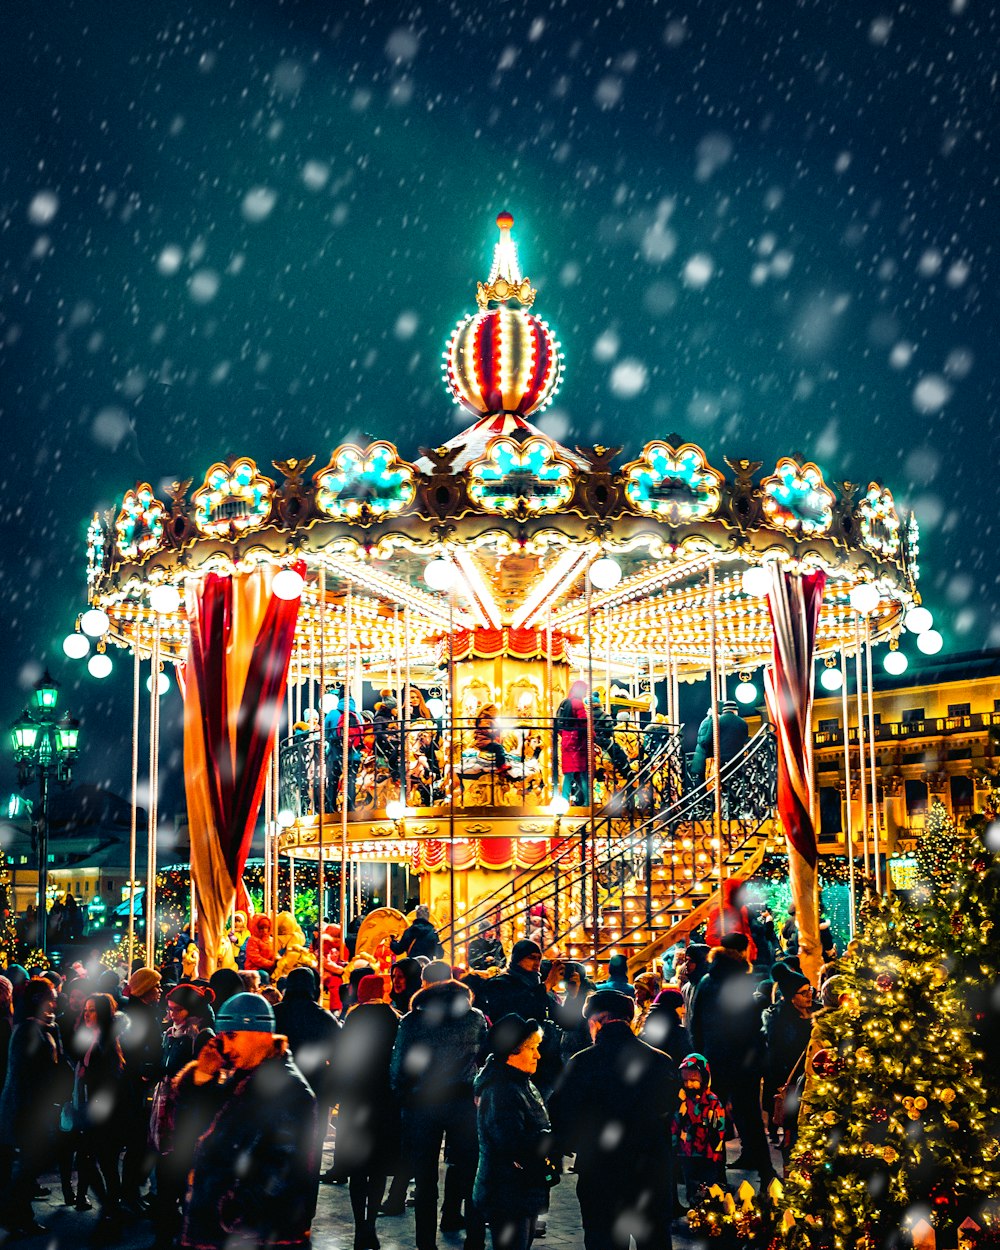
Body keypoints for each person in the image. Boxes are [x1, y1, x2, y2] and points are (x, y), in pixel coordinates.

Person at [180, 993, 319, 1250]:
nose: (226, 1047)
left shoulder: (286, 1090)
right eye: (222, 1038)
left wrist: (228, 1214)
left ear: (261, 1034)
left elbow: (281, 1174)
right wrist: (201, 1076)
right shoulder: (246, 1078)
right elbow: (195, 1123)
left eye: (232, 1036)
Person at [549, 989, 679, 1250]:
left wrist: (566, 1147)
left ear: (598, 1020)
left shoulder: (583, 1062)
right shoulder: (660, 1061)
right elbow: (671, 1110)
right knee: (653, 1240)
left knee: (603, 1239)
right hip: (651, 1169)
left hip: (601, 1170)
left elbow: (560, 1111)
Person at [389, 969, 488, 1250]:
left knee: (425, 1178)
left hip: (422, 1104)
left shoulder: (412, 1020)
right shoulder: (475, 1018)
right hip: (463, 1102)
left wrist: (403, 1095)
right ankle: (475, 1237)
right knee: (469, 1170)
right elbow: (484, 1054)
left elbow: (399, 1065)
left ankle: (425, 1243)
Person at [688, 935, 774, 1182]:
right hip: (743, 1061)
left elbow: (696, 1024)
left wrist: (702, 1055)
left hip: (714, 1059)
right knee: (750, 1117)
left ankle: (714, 1176)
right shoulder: (745, 983)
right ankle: (766, 1172)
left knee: (712, 1116)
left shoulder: (706, 982)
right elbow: (751, 1026)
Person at [333, 973, 401, 1250]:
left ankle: (360, 1227)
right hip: (385, 1100)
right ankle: (371, 1223)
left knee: (357, 1170)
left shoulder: (354, 1017)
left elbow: (342, 1059)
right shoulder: (394, 1017)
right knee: (379, 1168)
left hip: (356, 1100)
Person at [473, 1015, 554, 1250]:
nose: (537, 1055)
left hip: (520, 1190)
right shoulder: (501, 1090)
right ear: (510, 1052)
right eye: (531, 1048)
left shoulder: (520, 1082)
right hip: (507, 1193)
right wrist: (548, 1140)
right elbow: (510, 1143)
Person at [0, 977, 68, 1235]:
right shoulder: (27, 1030)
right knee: (28, 1165)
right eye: (52, 995)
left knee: (29, 1165)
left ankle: (17, 1215)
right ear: (38, 999)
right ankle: (15, 1215)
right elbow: (19, 1077)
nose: (56, 1000)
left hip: (36, 1110)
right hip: (25, 1111)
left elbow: (57, 1065)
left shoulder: (46, 1027)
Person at [272, 967, 340, 1182]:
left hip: (278, 1089)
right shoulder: (323, 1016)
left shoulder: (275, 1013)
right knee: (311, 1150)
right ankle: (306, 1206)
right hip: (314, 1091)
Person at [74, 992, 129, 1226]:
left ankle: (111, 1206)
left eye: (92, 1010)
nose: (87, 1014)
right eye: (86, 1010)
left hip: (105, 1116)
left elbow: (112, 1079)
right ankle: (111, 1206)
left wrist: (88, 1076)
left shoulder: (107, 1040)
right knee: (96, 1162)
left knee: (103, 1163)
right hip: (94, 1112)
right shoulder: (93, 1037)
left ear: (103, 1013)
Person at [120, 966, 164, 1212]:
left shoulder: (143, 1011)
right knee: (137, 1142)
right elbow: (134, 1052)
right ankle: (129, 1193)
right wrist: (146, 1073)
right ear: (145, 988)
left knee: (140, 1143)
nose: (159, 990)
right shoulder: (137, 1014)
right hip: (137, 1087)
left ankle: (131, 1191)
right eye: (156, 986)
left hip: (139, 1084)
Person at [762, 963, 814, 1157]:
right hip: (791, 1078)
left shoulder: (817, 1014)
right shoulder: (780, 1021)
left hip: (812, 1074)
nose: (809, 995)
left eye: (810, 990)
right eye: (803, 993)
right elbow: (777, 1054)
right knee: (792, 1121)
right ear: (792, 997)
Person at [672, 1053, 726, 1203]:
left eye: (693, 1080)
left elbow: (719, 1128)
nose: (689, 1084)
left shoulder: (712, 1102)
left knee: (708, 1185)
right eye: (685, 1080)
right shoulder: (682, 1101)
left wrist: (716, 1150)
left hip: (707, 1152)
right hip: (686, 1152)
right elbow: (675, 1124)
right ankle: (693, 1207)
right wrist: (674, 1144)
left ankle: (708, 1209)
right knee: (691, 1182)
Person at [161, 983, 216, 1078]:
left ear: (192, 1010)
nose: (173, 1014)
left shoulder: (203, 1036)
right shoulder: (171, 1033)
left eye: (178, 1009)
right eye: (170, 1009)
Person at [690, 700, 749, 783]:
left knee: (720, 784)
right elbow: (745, 739)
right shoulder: (743, 722)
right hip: (738, 760)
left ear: (724, 710)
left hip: (720, 760)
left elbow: (708, 740)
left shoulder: (716, 721)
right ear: (735, 710)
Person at [705, 877, 759, 961]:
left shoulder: (742, 909)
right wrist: (730, 947)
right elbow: (711, 938)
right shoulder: (720, 912)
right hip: (729, 959)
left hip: (746, 957)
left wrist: (752, 950)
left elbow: (747, 932)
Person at [555, 679, 590, 805]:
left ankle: (564, 800)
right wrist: (592, 734)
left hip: (566, 740)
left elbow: (559, 724)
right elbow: (584, 721)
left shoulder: (566, 702)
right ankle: (587, 801)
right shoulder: (578, 703)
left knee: (568, 774)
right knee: (584, 773)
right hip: (577, 742)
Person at [640, 987, 691, 1065]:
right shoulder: (679, 1034)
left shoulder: (643, 1032)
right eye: (681, 1006)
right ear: (671, 1007)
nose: (684, 1011)